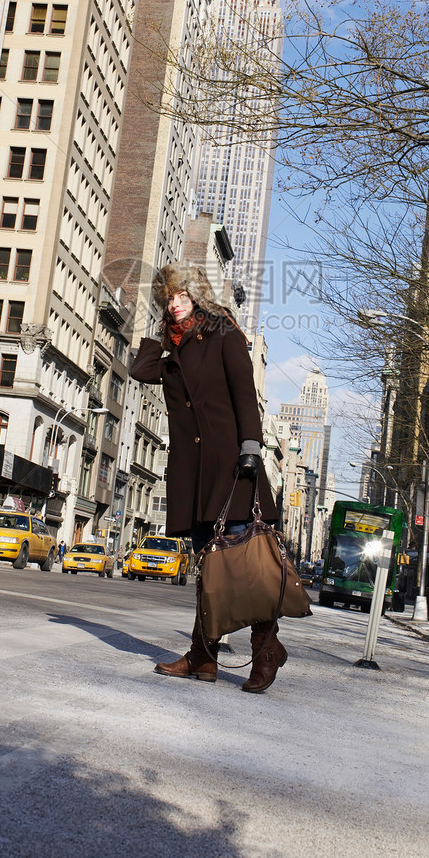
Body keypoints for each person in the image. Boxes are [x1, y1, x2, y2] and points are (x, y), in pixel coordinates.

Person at [131, 262, 284, 693]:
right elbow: (141, 370)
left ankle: (266, 649)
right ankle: (204, 656)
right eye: (167, 299)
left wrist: (251, 446)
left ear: (197, 295)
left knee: (239, 570)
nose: (174, 305)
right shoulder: (174, 352)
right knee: (208, 570)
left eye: (180, 296)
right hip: (192, 476)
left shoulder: (223, 334)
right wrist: (153, 329)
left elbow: (243, 394)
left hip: (229, 469)